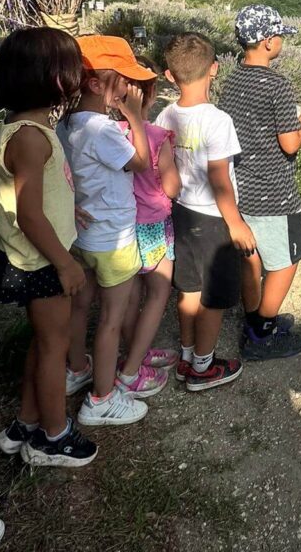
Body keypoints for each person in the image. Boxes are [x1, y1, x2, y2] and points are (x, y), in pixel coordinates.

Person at [0, 27, 97, 466]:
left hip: (35, 256)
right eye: (72, 68)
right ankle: (52, 437)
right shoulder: (31, 138)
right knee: (54, 348)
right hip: (42, 262)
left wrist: (68, 209)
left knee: (44, 342)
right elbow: (30, 214)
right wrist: (65, 264)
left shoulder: (23, 128)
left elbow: (37, 198)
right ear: (53, 78)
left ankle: (26, 422)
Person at [218, 5, 301, 360]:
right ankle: (261, 335)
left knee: (250, 259)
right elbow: (290, 143)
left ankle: (255, 319)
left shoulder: (232, 80)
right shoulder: (277, 85)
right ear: (268, 42)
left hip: (242, 189)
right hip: (275, 193)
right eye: (280, 35)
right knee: (285, 262)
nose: (282, 41)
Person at [63, 35, 155, 426]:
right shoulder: (103, 129)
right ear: (96, 83)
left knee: (80, 306)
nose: (131, 88)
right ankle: (101, 398)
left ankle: (76, 368)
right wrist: (134, 117)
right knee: (111, 319)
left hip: (81, 235)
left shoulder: (67, 123)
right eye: (124, 80)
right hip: (113, 238)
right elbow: (140, 163)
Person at [155, 32, 254, 391]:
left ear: (170, 75)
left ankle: (186, 356)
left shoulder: (165, 115)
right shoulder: (218, 120)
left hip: (180, 213)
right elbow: (219, 178)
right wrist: (236, 223)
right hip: (213, 218)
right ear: (214, 68)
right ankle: (203, 366)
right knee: (213, 297)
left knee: (189, 289)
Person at [118, 56, 181, 390]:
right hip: (153, 225)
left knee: (129, 298)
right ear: (152, 94)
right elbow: (171, 187)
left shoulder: (110, 133)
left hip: (121, 227)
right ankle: (132, 371)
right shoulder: (156, 136)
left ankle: (137, 354)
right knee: (158, 292)